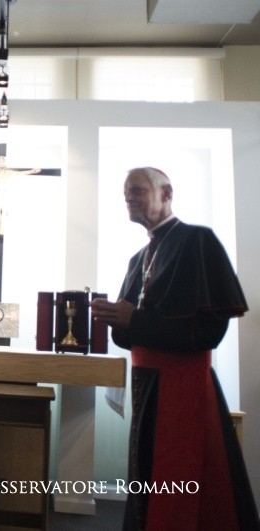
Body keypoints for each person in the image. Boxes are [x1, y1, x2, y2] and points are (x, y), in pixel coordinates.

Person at [90, 167, 259, 531]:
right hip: (146, 384)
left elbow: (209, 332)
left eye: (138, 190)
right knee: (147, 472)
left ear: (166, 193)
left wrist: (134, 320)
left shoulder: (198, 241)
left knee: (182, 481)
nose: (129, 198)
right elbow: (130, 334)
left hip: (184, 386)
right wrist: (115, 319)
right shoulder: (138, 258)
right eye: (126, 193)